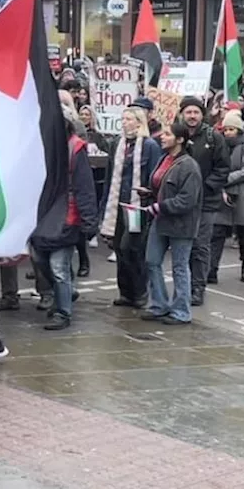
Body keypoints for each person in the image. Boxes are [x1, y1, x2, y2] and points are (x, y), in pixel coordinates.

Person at [29, 108, 99, 330]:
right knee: (40, 259)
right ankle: (66, 294)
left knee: (58, 267)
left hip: (67, 216)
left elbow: (84, 186)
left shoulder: (75, 149)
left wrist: (89, 221)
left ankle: (63, 311)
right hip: (44, 215)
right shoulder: (42, 147)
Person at [99, 108, 162, 310]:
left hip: (137, 207)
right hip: (118, 205)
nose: (124, 123)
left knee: (132, 248)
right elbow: (110, 176)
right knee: (119, 248)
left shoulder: (150, 145)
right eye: (123, 119)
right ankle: (125, 292)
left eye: (128, 119)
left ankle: (140, 292)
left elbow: (154, 175)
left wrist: (149, 197)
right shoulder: (118, 144)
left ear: (139, 122)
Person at [141, 121, 204, 325]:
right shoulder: (164, 159)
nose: (162, 136)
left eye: (167, 134)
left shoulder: (189, 166)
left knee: (179, 266)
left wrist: (160, 206)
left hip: (181, 224)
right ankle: (159, 305)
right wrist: (150, 194)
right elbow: (162, 187)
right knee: (152, 261)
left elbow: (187, 200)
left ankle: (181, 311)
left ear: (180, 139)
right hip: (161, 220)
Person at [177, 96, 229, 307]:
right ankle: (184, 285)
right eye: (188, 112)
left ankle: (198, 287)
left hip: (206, 201)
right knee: (183, 245)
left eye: (196, 112)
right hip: (181, 201)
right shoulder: (176, 135)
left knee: (200, 245)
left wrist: (204, 187)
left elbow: (223, 169)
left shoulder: (213, 137)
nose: (192, 116)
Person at [214, 110, 244, 284]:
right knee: (217, 231)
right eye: (225, 130)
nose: (228, 133)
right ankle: (212, 268)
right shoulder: (221, 146)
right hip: (224, 193)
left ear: (239, 130)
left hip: (242, 193)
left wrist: (226, 179)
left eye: (231, 129)